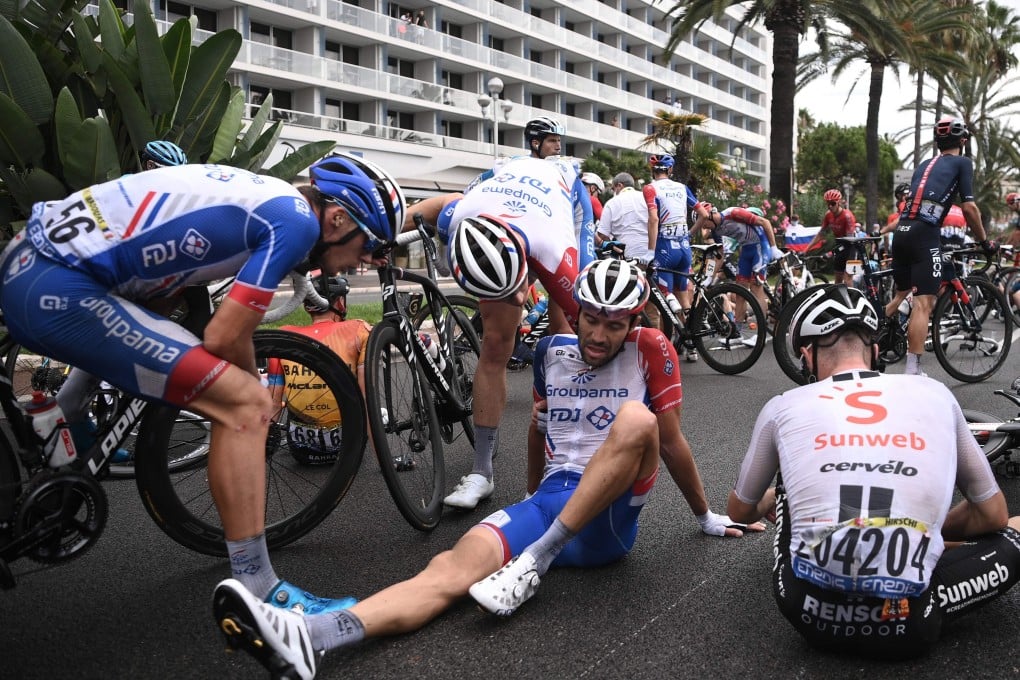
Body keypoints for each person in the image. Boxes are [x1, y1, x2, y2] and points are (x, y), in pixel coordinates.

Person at [212, 258, 760, 680]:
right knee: (447, 569)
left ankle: (536, 561)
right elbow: (538, 428)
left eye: (613, 325)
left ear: (632, 322)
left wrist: (706, 514)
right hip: (549, 503)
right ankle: (315, 637)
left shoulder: (651, 348)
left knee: (637, 419)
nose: (598, 334)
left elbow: (670, 441)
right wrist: (526, 499)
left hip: (606, 524)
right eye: (591, 318)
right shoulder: (552, 351)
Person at [0, 152, 447, 664]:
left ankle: (61, 425)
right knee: (243, 404)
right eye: (366, 245)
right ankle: (260, 592)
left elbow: (172, 285)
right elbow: (226, 334)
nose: (363, 260)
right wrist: (254, 394)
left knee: (172, 319)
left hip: (32, 263)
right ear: (338, 218)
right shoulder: (296, 223)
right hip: (58, 285)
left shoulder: (264, 195)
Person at [728, 284, 1020, 659]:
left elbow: (739, 511)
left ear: (806, 355)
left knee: (790, 472)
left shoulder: (782, 406)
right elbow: (991, 514)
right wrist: (921, 530)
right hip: (912, 619)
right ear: (877, 351)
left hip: (807, 610)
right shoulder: (935, 394)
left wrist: (773, 498)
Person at [435, 154, 595, 510]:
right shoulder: (457, 213)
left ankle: (571, 447)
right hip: (498, 193)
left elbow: (600, 333)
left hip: (563, 201)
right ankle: (481, 472)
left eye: (518, 289)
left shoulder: (554, 248)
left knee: (568, 332)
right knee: (495, 344)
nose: (521, 299)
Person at [881, 118, 996, 377]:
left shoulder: (923, 165)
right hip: (924, 234)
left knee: (900, 296)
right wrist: (983, 242)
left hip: (902, 232)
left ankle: (870, 334)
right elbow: (969, 207)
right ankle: (912, 371)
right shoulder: (963, 162)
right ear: (963, 142)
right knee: (924, 304)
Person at [268, 273, 372, 465]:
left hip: (301, 452)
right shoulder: (358, 329)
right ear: (339, 303)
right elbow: (367, 401)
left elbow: (274, 402)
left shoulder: (285, 336)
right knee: (379, 412)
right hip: (349, 450)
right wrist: (386, 460)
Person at [643, 154, 710, 348]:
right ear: (670, 170)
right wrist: (689, 233)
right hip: (684, 248)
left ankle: (675, 336)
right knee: (683, 293)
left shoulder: (650, 188)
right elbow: (704, 214)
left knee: (664, 294)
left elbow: (654, 219)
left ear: (653, 171)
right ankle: (692, 343)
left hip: (665, 248)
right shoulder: (682, 188)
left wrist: (650, 251)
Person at [696, 203, 781, 339]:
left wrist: (774, 248)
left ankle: (762, 333)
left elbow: (765, 222)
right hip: (746, 251)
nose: (703, 227)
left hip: (760, 247)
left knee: (755, 287)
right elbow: (719, 254)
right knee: (740, 291)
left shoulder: (733, 213)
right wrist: (709, 276)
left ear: (710, 215)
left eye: (703, 222)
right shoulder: (716, 230)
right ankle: (738, 332)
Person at [804, 189, 857, 285]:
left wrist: (831, 252)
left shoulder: (847, 216)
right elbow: (821, 234)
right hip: (839, 245)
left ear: (839, 203)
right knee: (838, 280)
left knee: (847, 279)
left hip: (851, 247)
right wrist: (807, 249)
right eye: (828, 204)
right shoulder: (828, 215)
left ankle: (852, 299)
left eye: (833, 203)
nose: (830, 206)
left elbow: (849, 240)